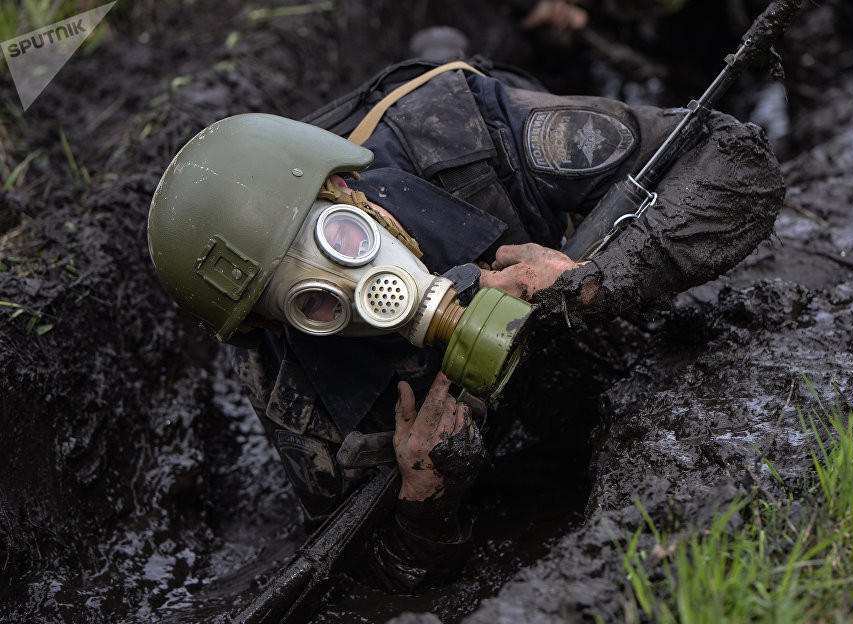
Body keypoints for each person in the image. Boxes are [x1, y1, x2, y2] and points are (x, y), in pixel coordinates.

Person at [146, 57, 784, 593]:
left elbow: (737, 165)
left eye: (342, 239)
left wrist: (598, 282)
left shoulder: (464, 129)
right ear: (266, 327)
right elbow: (371, 578)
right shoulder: (295, 394)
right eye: (317, 303)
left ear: (346, 187)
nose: (361, 288)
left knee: (475, 71)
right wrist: (427, 504)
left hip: (467, 148)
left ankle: (444, 45)